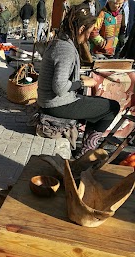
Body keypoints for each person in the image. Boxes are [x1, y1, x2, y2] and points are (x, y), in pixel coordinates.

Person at [37, 4, 120, 158]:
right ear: (81, 28)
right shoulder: (65, 49)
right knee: (111, 107)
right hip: (55, 104)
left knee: (97, 104)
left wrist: (78, 80)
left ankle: (85, 150)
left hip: (51, 101)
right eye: (88, 32)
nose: (89, 37)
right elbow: (60, 88)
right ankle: (85, 153)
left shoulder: (60, 42)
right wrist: (82, 83)